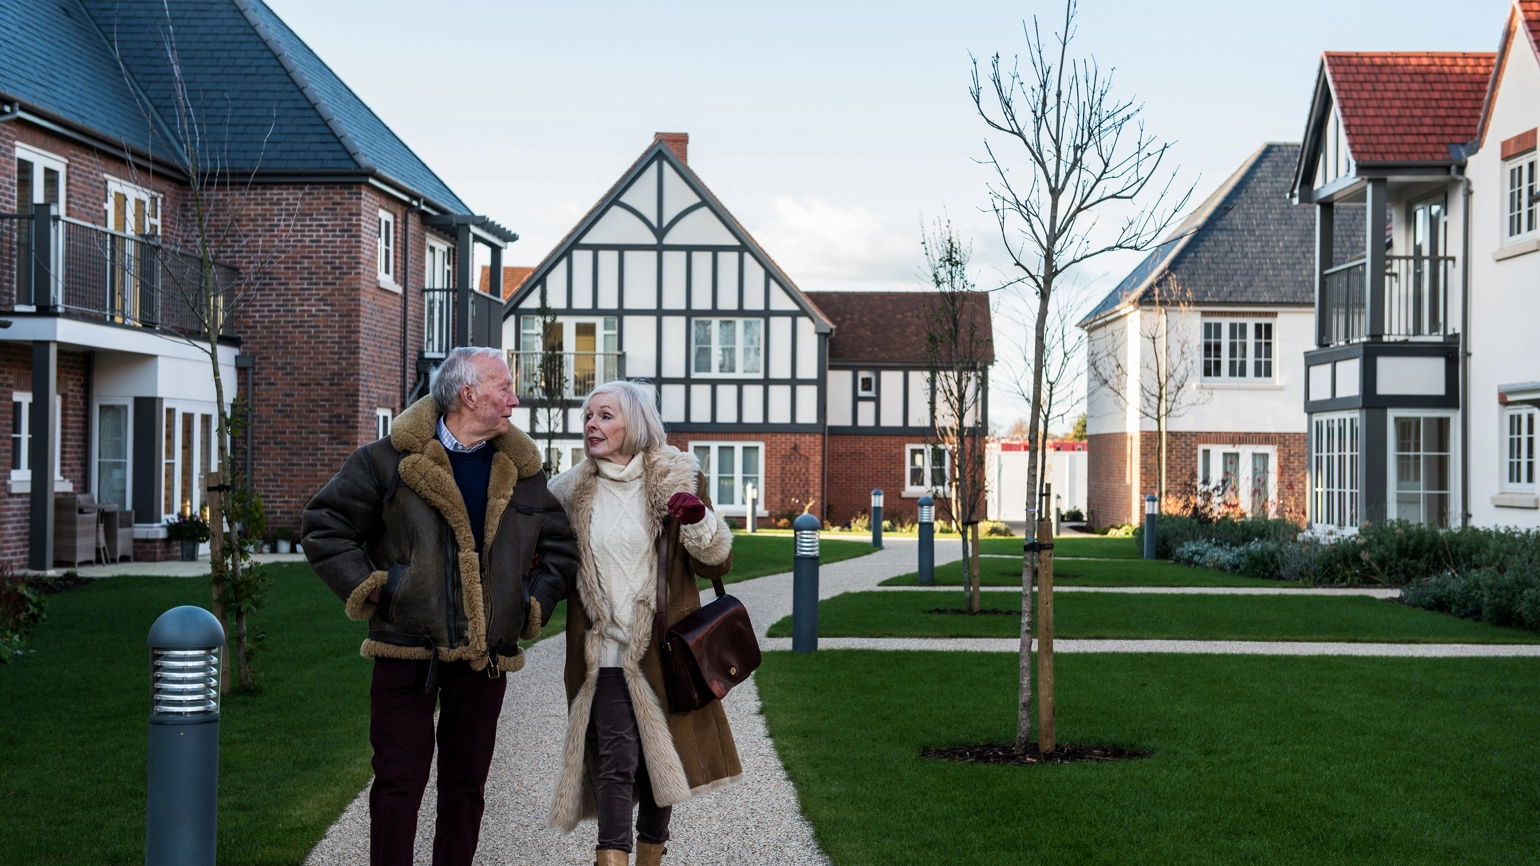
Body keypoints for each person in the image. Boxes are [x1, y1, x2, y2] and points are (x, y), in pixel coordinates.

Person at [301, 346, 578, 866]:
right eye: (504, 389)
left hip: (485, 657)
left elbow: (561, 548)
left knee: (465, 786)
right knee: (398, 783)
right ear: (468, 393)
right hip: (407, 651)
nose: (514, 401)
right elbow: (324, 526)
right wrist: (378, 588)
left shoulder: (523, 471)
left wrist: (529, 603)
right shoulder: (385, 461)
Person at [546, 380, 741, 866]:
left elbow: (716, 564)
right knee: (618, 761)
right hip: (605, 651)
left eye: (605, 415)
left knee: (662, 771)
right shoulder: (568, 494)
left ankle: (652, 853)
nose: (592, 424)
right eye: (588, 416)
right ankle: (610, 857)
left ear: (635, 422)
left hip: (666, 647)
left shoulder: (678, 479)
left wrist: (698, 521)